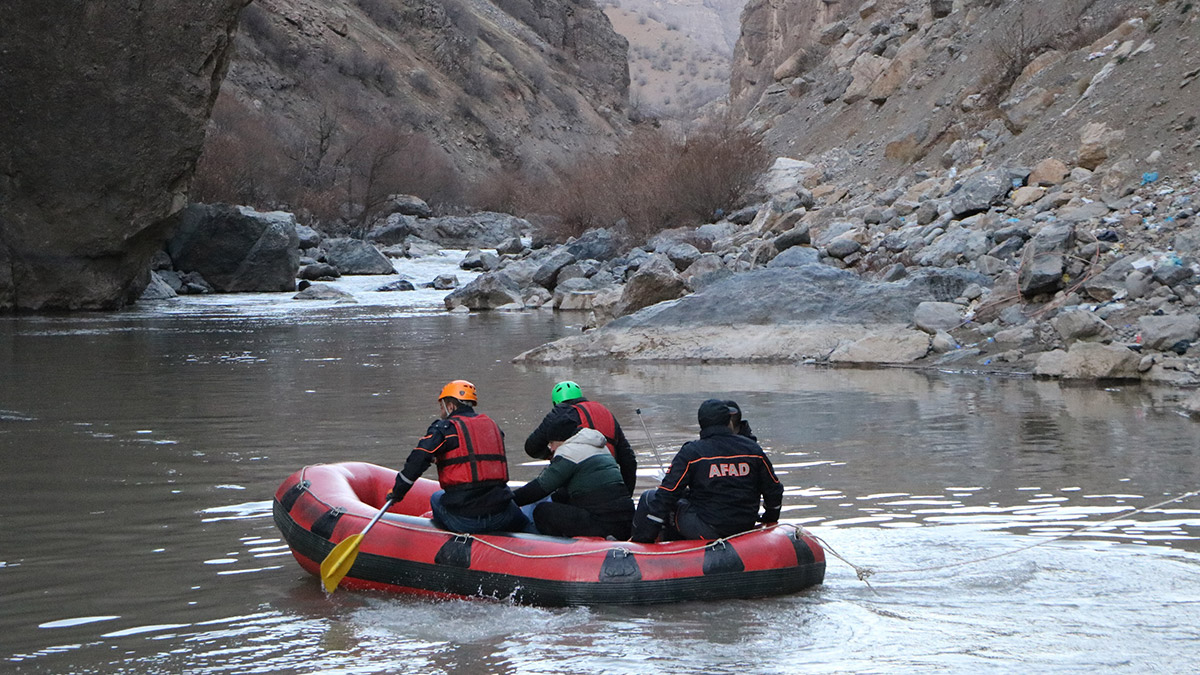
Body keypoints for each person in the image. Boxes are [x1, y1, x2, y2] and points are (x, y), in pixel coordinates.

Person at [630, 399, 783, 543]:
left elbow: (667, 493)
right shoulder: (753, 449)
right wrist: (770, 517)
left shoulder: (692, 453)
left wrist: (645, 535)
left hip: (708, 529)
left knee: (650, 498)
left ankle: (636, 549)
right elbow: (774, 489)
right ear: (728, 422)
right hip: (744, 526)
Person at [388, 380, 528, 534]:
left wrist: (397, 493)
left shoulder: (445, 429)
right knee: (521, 518)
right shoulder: (493, 426)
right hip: (502, 515)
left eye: (442, 407)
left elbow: (418, 460)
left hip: (466, 520)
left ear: (450, 407)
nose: (441, 413)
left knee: (436, 498)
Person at [512, 416, 634, 539]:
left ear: (561, 440)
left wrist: (509, 500)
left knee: (542, 511)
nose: (552, 449)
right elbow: (565, 494)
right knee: (560, 499)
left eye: (552, 443)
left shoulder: (569, 452)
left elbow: (540, 488)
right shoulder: (599, 447)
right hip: (627, 521)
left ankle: (558, 551)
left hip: (603, 523)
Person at [524, 381, 637, 495]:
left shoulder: (560, 411)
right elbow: (629, 460)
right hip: (611, 482)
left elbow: (532, 447)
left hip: (580, 487)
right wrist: (626, 494)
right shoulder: (605, 412)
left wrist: (549, 455)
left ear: (556, 402)